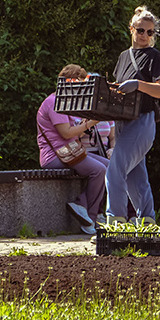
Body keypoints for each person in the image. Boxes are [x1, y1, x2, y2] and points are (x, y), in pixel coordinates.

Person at [104, 6, 160, 224]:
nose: (145, 36)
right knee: (135, 174)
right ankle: (148, 220)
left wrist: (138, 85)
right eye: (141, 31)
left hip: (142, 121)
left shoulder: (153, 56)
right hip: (122, 121)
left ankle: (116, 219)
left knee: (115, 169)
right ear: (131, 29)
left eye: (150, 33)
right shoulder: (123, 57)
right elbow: (116, 93)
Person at [36, 64, 108, 235]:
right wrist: (93, 121)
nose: (83, 90)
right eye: (81, 85)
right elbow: (66, 133)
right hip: (55, 156)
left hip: (70, 152)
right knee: (99, 170)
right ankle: (89, 216)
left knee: (111, 167)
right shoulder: (54, 102)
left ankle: (83, 206)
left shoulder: (65, 102)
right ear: (71, 82)